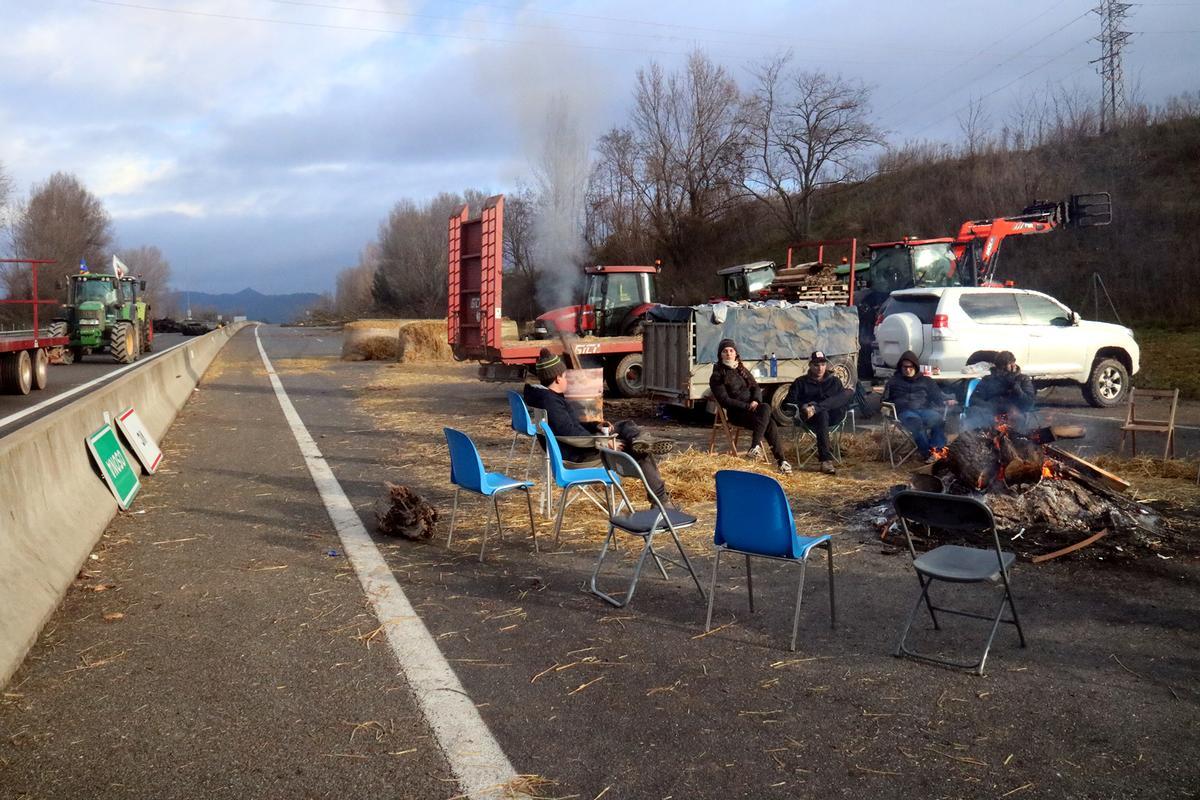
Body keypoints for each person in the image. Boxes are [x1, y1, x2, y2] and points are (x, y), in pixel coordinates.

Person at [524, 349, 676, 505]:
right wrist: (604, 443)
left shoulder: (545, 397)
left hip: (577, 446)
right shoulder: (551, 402)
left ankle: (641, 439)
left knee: (624, 425)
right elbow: (569, 432)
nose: (567, 380)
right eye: (565, 376)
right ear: (557, 378)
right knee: (640, 453)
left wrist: (595, 425)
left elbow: (571, 426)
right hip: (579, 454)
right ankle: (661, 502)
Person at [708, 339, 793, 475]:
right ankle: (774, 457)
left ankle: (773, 457)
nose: (728, 354)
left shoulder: (741, 369)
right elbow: (725, 401)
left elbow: (755, 387)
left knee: (767, 416)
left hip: (753, 411)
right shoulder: (717, 375)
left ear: (736, 353)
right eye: (725, 351)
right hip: (737, 414)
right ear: (720, 355)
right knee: (767, 414)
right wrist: (747, 406)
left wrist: (756, 401)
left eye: (731, 350)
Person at [783, 351, 855, 475]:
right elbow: (787, 403)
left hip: (834, 416)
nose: (820, 368)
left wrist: (816, 407)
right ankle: (826, 461)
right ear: (810, 365)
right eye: (816, 365)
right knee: (822, 414)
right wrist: (803, 405)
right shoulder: (800, 382)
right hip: (811, 418)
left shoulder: (835, 381)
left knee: (848, 393)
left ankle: (816, 408)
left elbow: (842, 400)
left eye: (823, 364)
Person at [883, 350, 954, 462]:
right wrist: (885, 407)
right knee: (915, 422)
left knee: (938, 419)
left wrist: (947, 400)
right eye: (905, 367)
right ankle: (928, 453)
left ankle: (938, 451)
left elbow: (937, 396)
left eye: (910, 367)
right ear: (900, 367)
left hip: (924, 410)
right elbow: (885, 399)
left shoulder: (926, 381)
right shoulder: (893, 381)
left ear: (915, 366)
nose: (907, 370)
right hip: (904, 412)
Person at [969, 350, 1036, 430]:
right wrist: (989, 407)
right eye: (1000, 367)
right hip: (992, 413)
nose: (1002, 370)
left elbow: (1029, 402)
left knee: (1023, 416)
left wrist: (1015, 386)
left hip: (1015, 412)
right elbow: (974, 399)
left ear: (1013, 365)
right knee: (974, 412)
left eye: (1005, 366)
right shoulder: (988, 379)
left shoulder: (1023, 379)